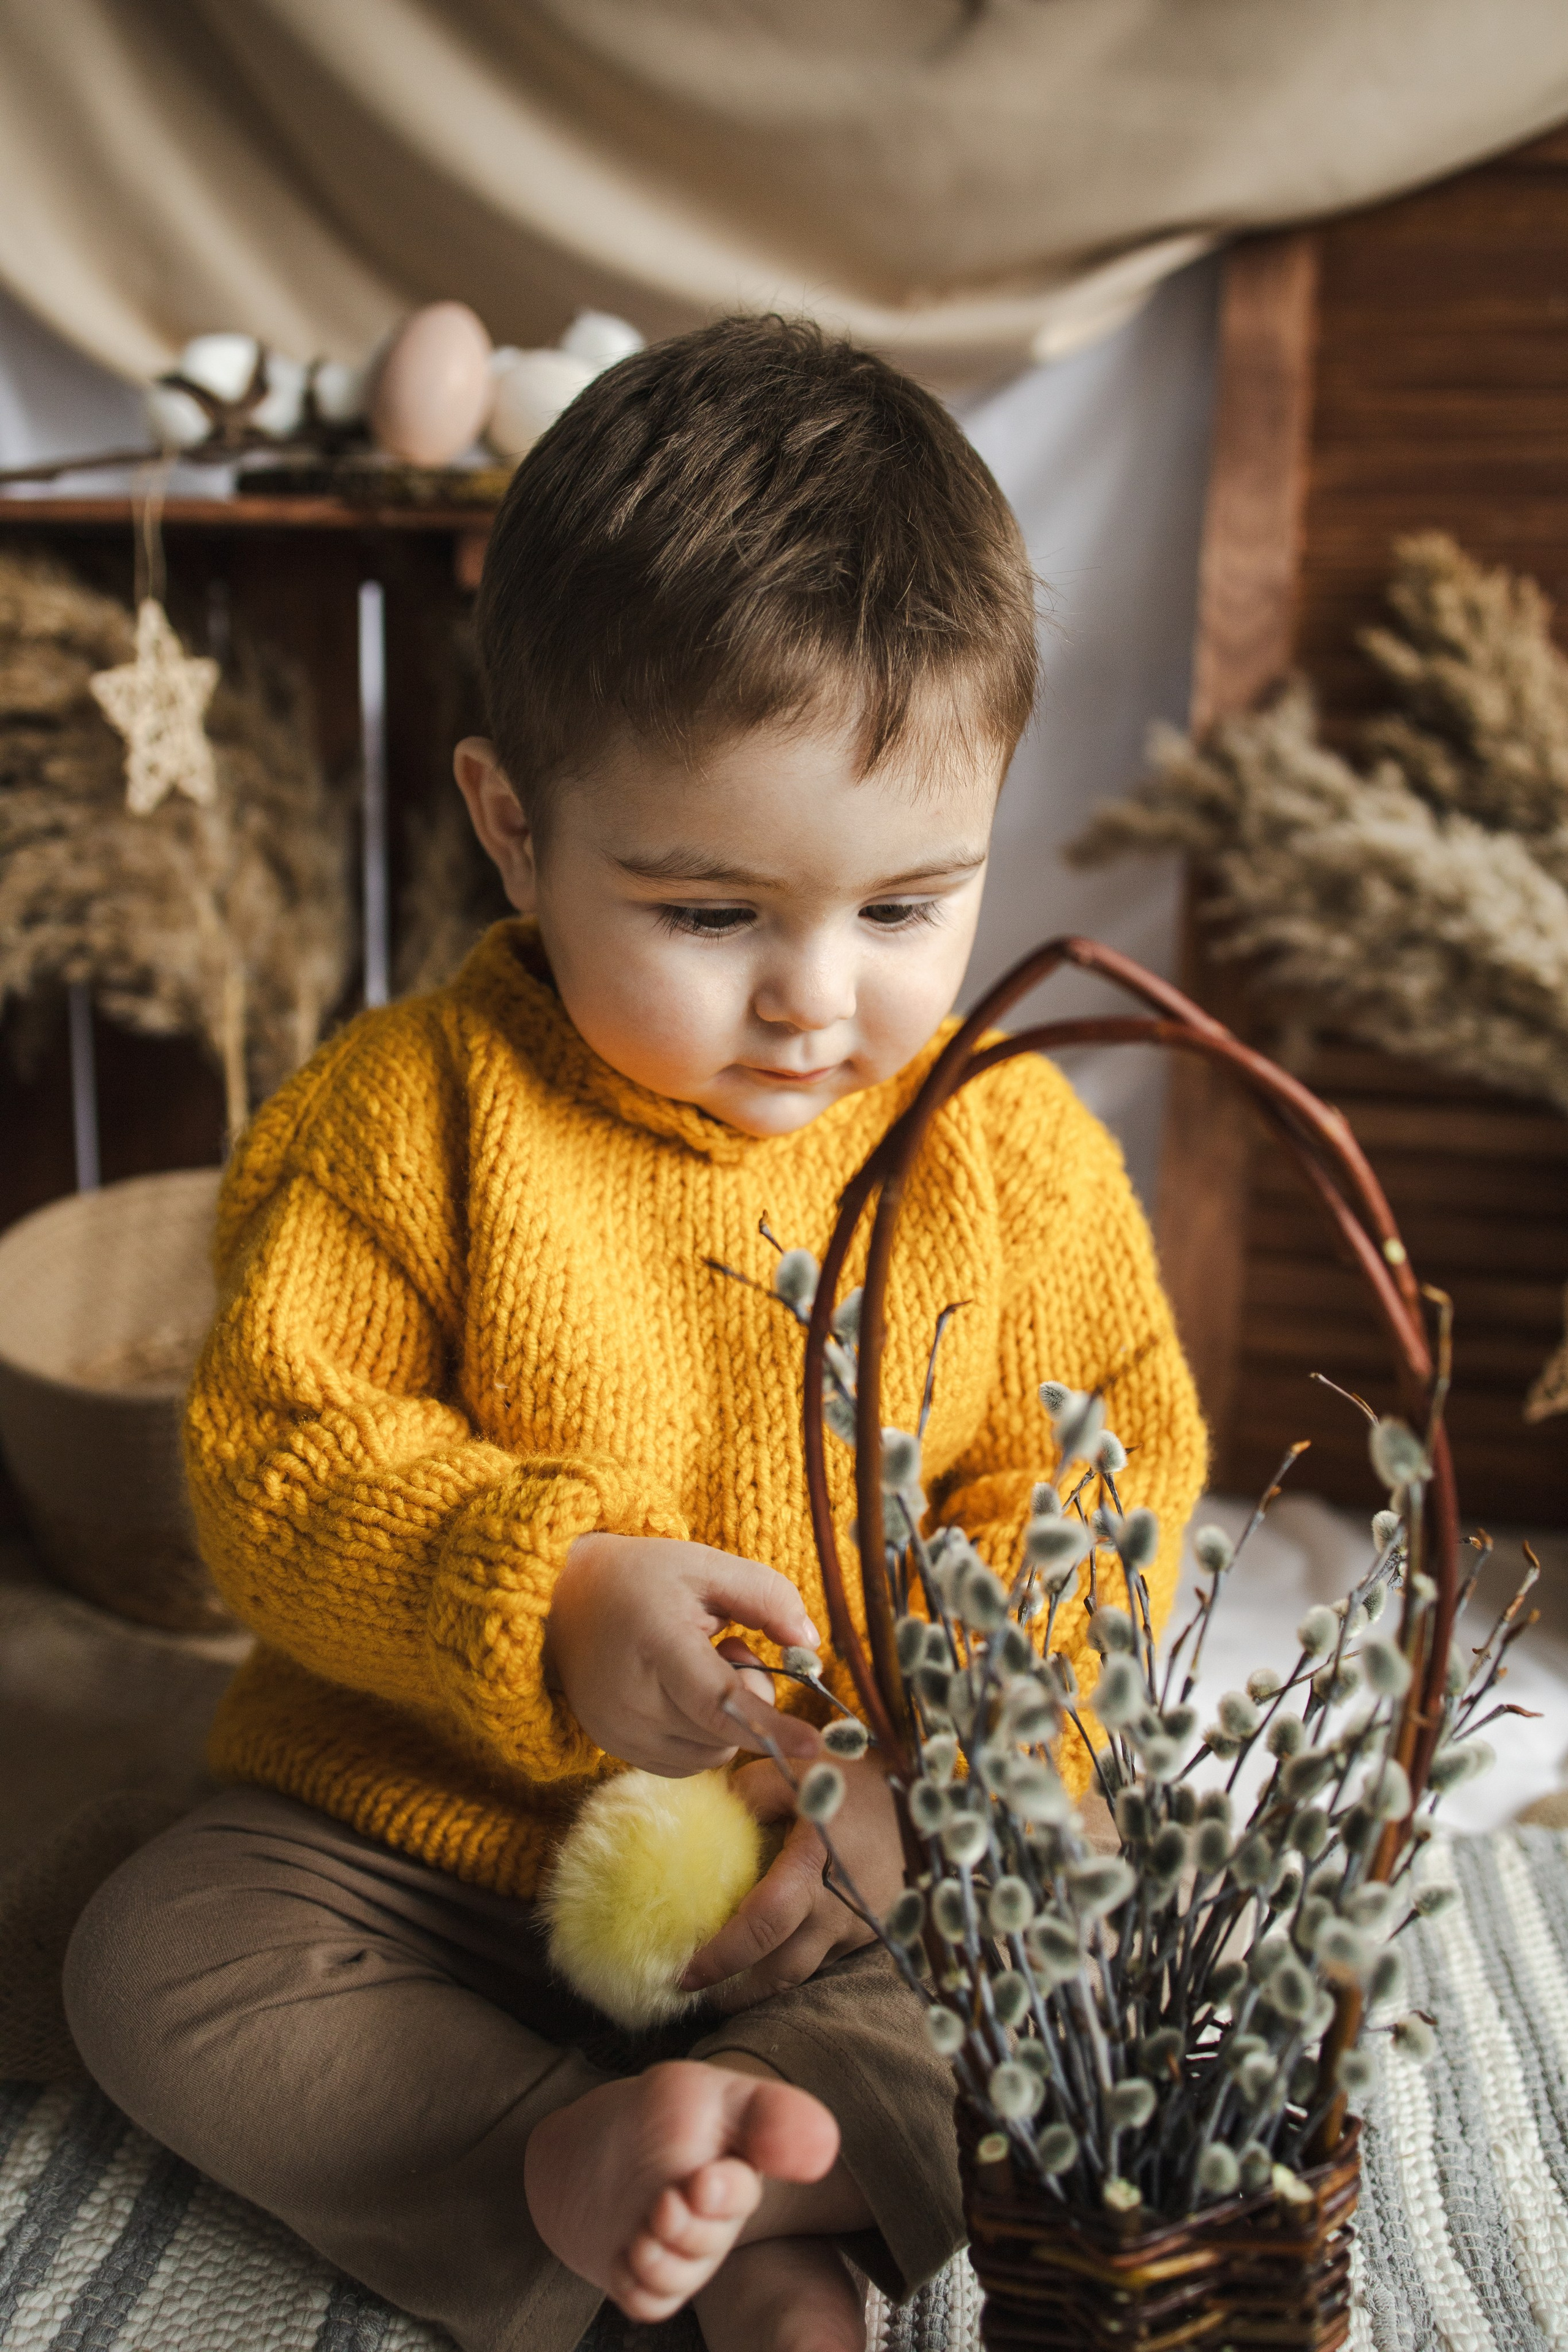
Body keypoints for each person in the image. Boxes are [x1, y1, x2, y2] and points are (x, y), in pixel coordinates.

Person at [64, 316, 1206, 2352]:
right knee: (157, 1955)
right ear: (514, 827)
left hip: (826, 1876)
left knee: (1104, 1944)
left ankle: (773, 2167)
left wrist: (924, 1791)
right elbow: (272, 1454)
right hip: (423, 1855)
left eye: (902, 908)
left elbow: (1096, 1488)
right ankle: (565, 2170)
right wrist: (552, 1605)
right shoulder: (404, 1117)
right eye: (708, 913)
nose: (813, 1000)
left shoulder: (1002, 1154)